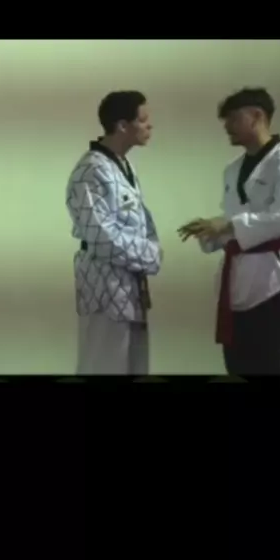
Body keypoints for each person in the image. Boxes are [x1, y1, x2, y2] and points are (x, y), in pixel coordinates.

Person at [178, 87, 280, 376]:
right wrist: (211, 230)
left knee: (276, 365)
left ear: (257, 116)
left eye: (233, 119)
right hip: (238, 277)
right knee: (239, 364)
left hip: (275, 280)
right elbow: (233, 218)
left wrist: (228, 225)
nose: (227, 127)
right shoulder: (232, 169)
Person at [65, 90, 162, 375]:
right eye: (143, 120)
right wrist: (150, 255)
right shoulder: (90, 170)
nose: (149, 126)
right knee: (104, 366)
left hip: (130, 286)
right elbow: (101, 236)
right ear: (122, 125)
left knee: (133, 366)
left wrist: (151, 250)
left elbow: (141, 222)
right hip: (103, 289)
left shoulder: (123, 165)